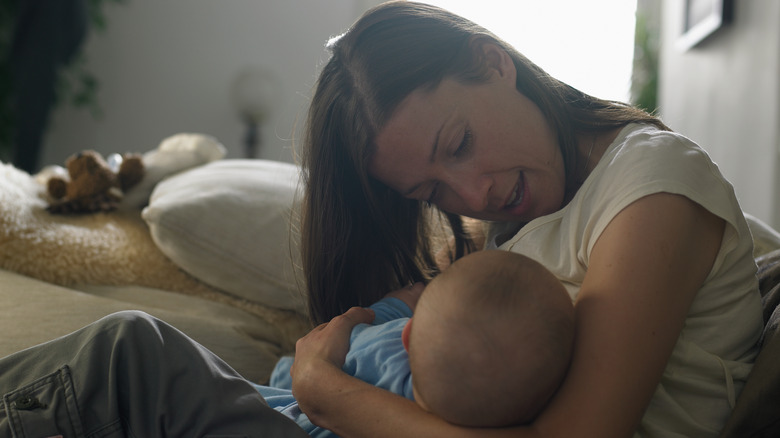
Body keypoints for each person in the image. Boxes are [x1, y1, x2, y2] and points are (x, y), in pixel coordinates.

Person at [291, 2, 764, 438]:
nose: (475, 194)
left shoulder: (653, 184)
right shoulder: (502, 231)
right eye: (433, 192)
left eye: (460, 144)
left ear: (494, 63)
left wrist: (325, 394)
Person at [260, 250, 574, 435]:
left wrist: (395, 306)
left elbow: (329, 344)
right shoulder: (501, 419)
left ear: (407, 334)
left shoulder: (388, 349)